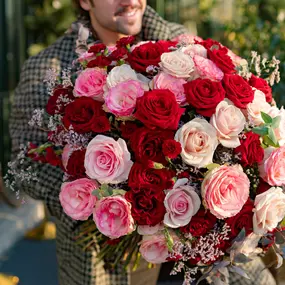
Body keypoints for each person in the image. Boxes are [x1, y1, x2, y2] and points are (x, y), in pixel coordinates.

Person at [9, 1, 277, 285]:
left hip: (202, 251)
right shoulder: (49, 67)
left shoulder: (184, 45)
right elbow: (24, 162)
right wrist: (95, 191)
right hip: (110, 256)